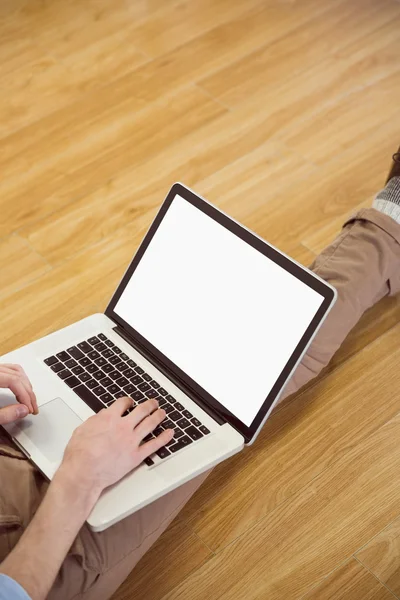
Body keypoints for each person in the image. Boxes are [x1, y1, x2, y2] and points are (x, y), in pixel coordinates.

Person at [1, 149, 400, 600]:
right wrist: (80, 478)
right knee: (252, 374)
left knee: (156, 355)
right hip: (37, 545)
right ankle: (391, 228)